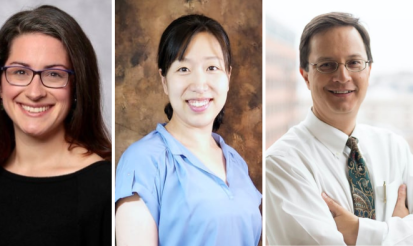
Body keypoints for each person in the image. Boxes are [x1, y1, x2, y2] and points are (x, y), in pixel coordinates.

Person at [0, 5, 111, 246]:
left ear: (76, 88)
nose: (34, 92)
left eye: (54, 74)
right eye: (20, 72)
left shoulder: (105, 189)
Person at [265, 12, 413, 245]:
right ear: (305, 76)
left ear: (369, 70)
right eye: (327, 65)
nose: (343, 76)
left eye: (354, 63)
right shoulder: (282, 164)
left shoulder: (394, 147)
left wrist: (359, 232)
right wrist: (400, 231)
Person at [115, 14, 262, 246]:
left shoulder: (236, 162)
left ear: (228, 76)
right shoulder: (142, 162)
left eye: (212, 67)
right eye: (183, 69)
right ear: (164, 80)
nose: (199, 84)